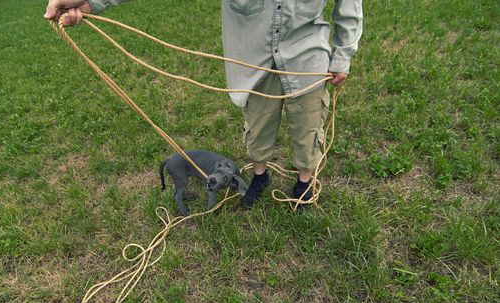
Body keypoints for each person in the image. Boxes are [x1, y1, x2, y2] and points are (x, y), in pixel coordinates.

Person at [44, 0, 363, 209]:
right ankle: (260, 175)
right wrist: (87, 2)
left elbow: (348, 4)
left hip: (307, 53)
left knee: (308, 126)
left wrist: (342, 54)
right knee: (259, 125)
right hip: (253, 56)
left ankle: (304, 184)